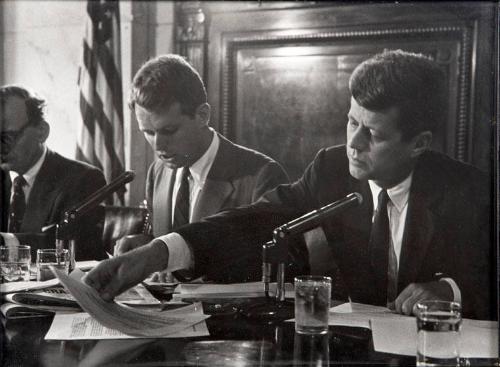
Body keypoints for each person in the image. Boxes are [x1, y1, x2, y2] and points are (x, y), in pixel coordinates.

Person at [85, 50, 494, 320]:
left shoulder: (471, 193)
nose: (352, 143)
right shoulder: (330, 169)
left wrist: (451, 290)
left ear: (419, 142)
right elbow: (255, 220)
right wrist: (158, 253)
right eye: (352, 121)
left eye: (373, 133)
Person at [113, 54, 289, 281]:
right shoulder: (157, 172)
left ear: (202, 115)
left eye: (169, 131)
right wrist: (145, 247)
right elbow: (167, 243)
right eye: (148, 132)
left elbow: (271, 271)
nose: (158, 145)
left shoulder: (261, 176)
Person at [0, 85, 107, 260]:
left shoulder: (83, 179)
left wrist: (7, 243)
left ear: (42, 132)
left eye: (7, 137)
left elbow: (74, 246)